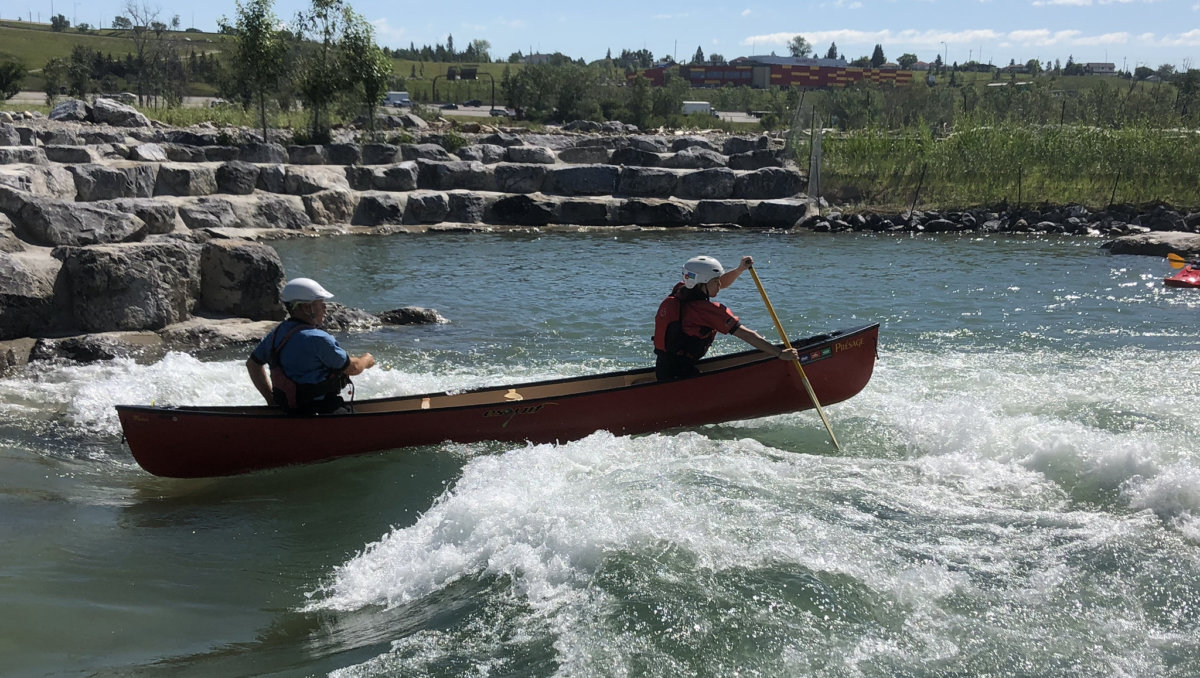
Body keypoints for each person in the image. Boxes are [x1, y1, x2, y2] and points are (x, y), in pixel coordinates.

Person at [653, 255, 799, 381]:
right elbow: (746, 334)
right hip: (678, 373)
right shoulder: (706, 311)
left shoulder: (682, 290)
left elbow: (718, 283)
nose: (720, 284)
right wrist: (779, 353)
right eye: (716, 281)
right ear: (703, 283)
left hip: (664, 367)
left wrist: (739, 270)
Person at [246, 277, 376, 414]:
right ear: (307, 308)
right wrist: (366, 360)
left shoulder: (276, 334)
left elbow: (252, 364)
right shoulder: (319, 338)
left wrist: (271, 401)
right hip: (321, 410)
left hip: (286, 409)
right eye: (321, 304)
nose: (325, 308)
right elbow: (353, 368)